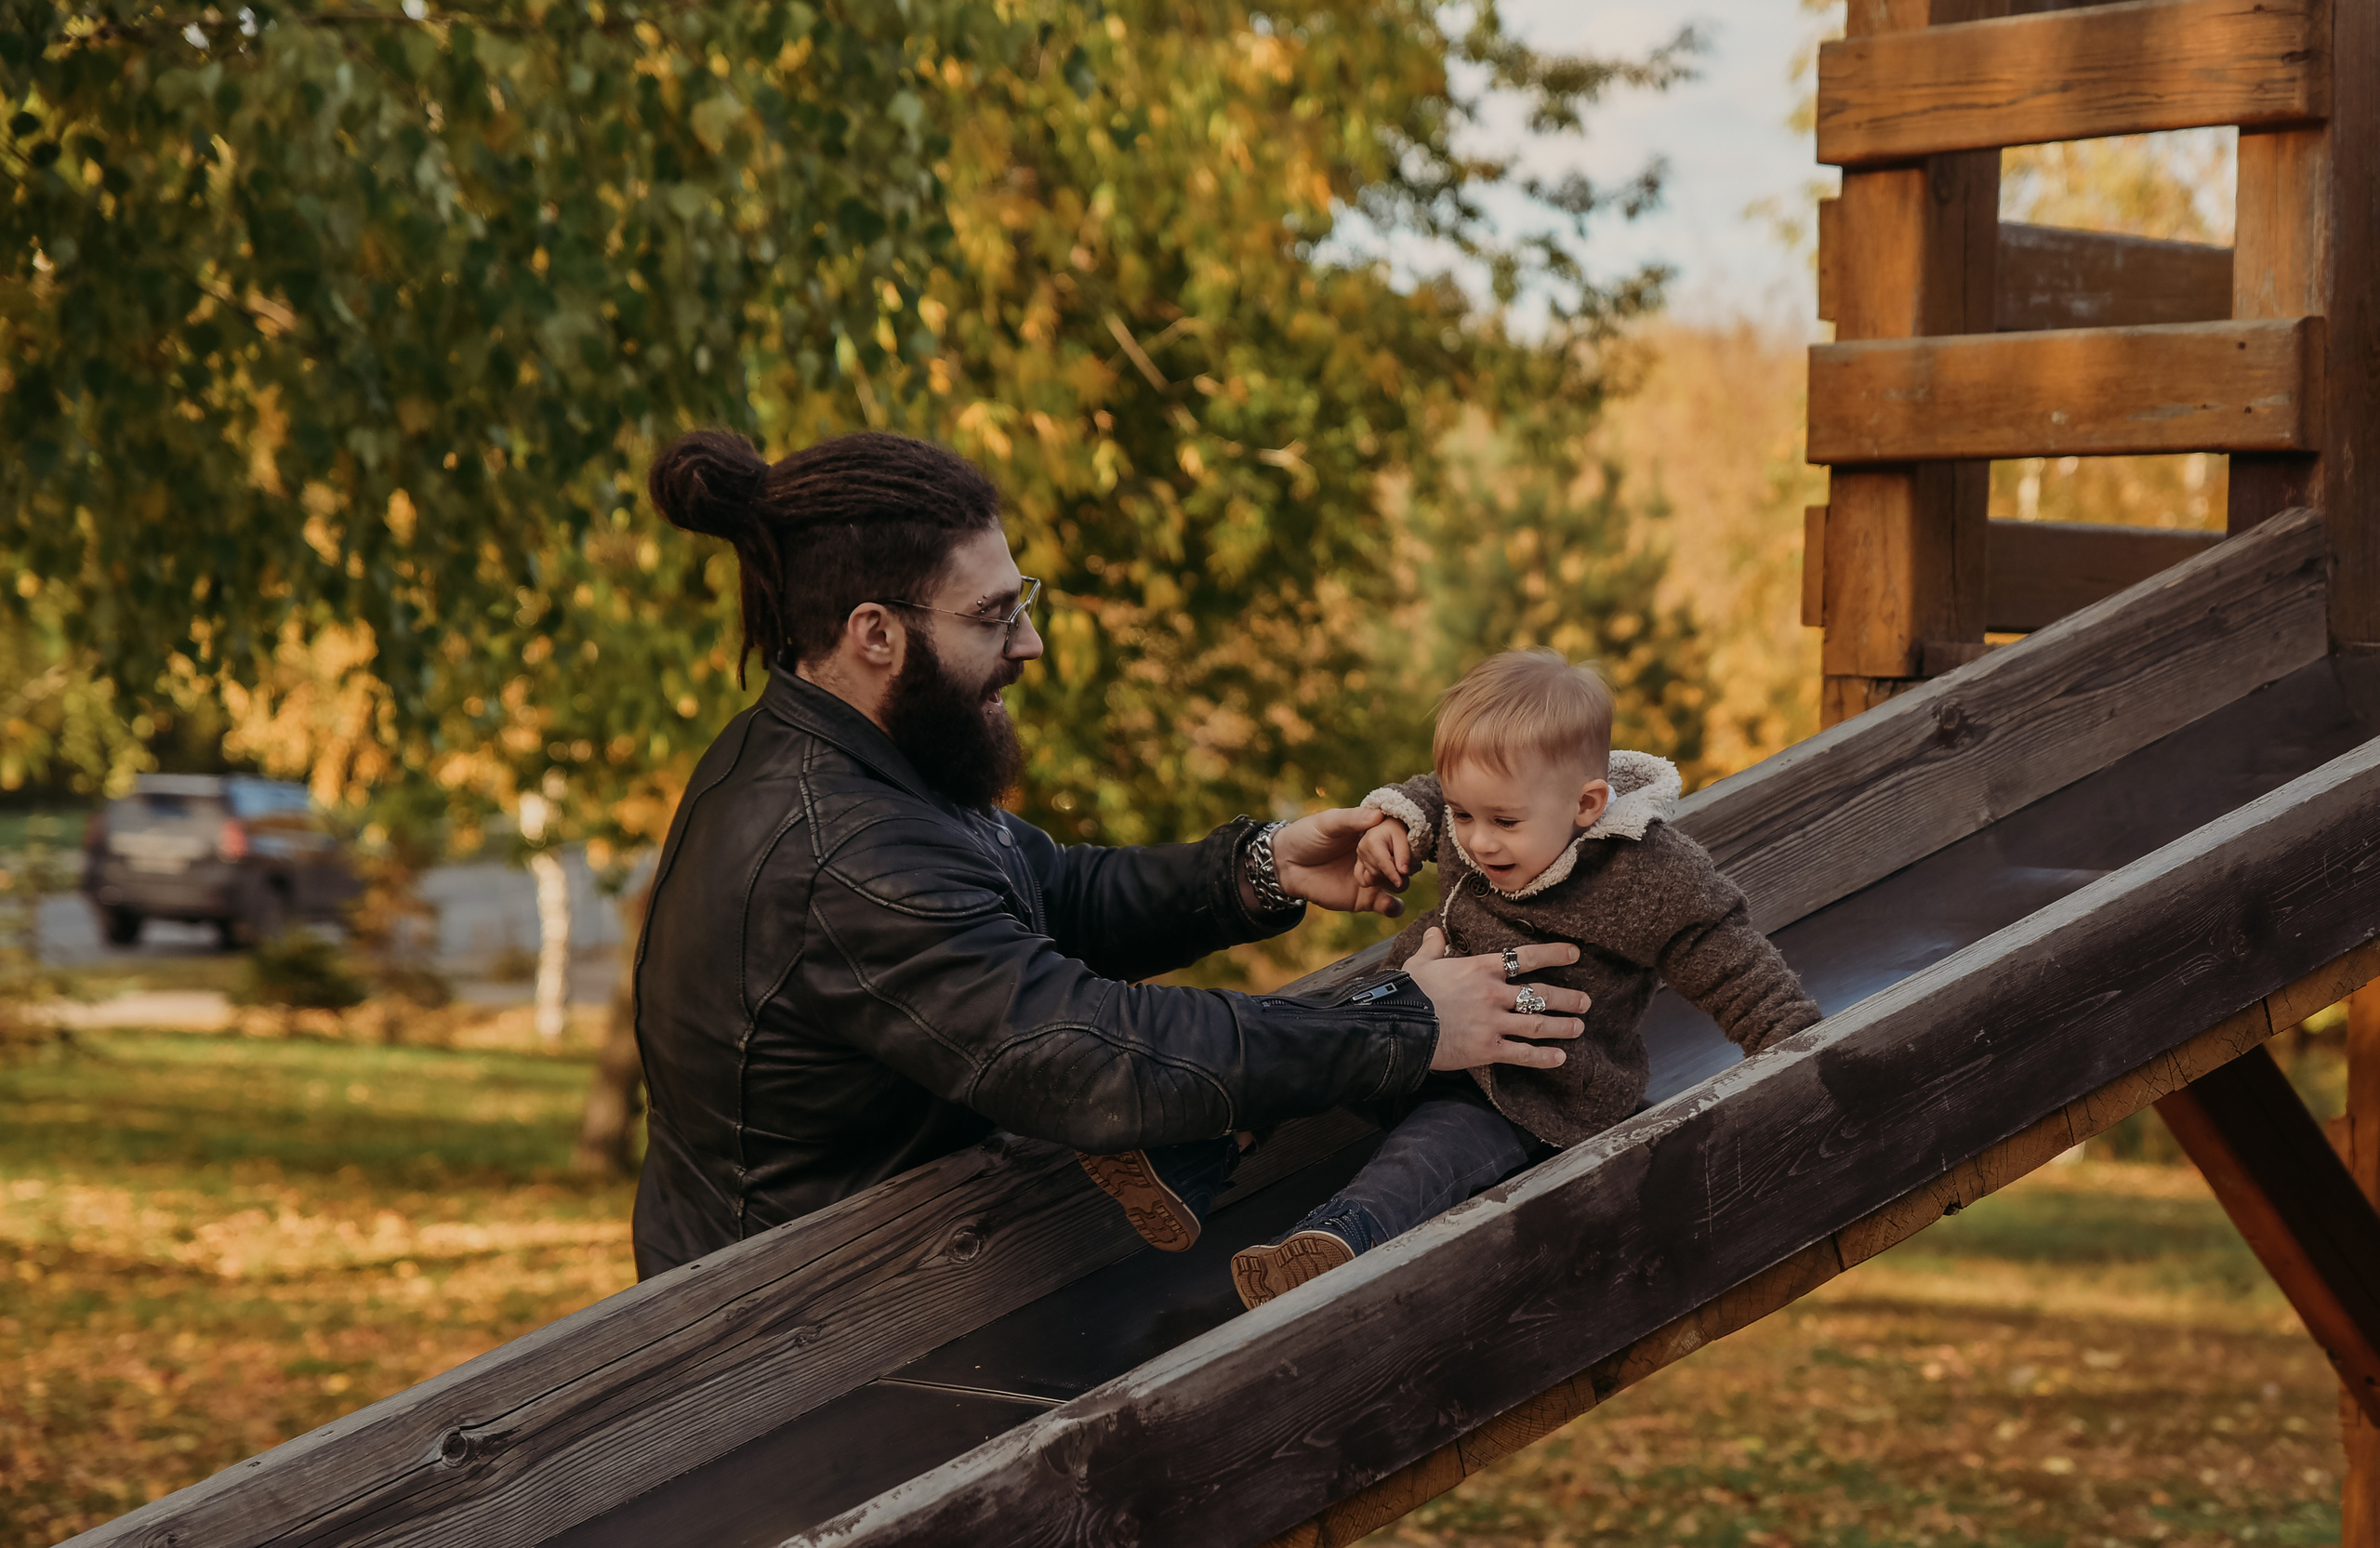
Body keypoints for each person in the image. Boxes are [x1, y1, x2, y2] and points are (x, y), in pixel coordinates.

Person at [628, 429, 1594, 1279]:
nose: (1031, 642)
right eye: (993, 615)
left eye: (1022, 602)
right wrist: (1410, 1025)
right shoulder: (838, 851)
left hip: (904, 1284)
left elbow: (1050, 890)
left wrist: (1259, 869)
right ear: (874, 634)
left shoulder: (862, 761)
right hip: (800, 1351)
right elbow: (1088, 1053)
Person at [1211, 649, 1824, 1307]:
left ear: (1586, 804)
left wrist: (1797, 1046)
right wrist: (1398, 819)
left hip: (1523, 1090)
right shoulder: (1481, 809)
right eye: (1463, 815)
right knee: (1305, 1043)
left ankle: (1335, 1242)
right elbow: (1435, 790)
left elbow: (1726, 955)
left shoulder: (1645, 872)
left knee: (1434, 1150)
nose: (1477, 841)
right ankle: (1200, 1153)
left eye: (1505, 821)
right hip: (1410, 1028)